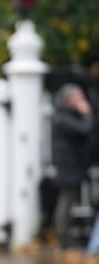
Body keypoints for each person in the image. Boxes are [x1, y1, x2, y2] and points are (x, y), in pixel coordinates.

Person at [50, 83, 94, 249]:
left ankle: (66, 236)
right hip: (68, 166)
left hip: (73, 165)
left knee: (70, 199)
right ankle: (63, 239)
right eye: (79, 97)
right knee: (67, 200)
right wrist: (87, 113)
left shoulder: (66, 115)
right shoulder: (63, 117)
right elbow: (84, 129)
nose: (83, 100)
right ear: (70, 99)